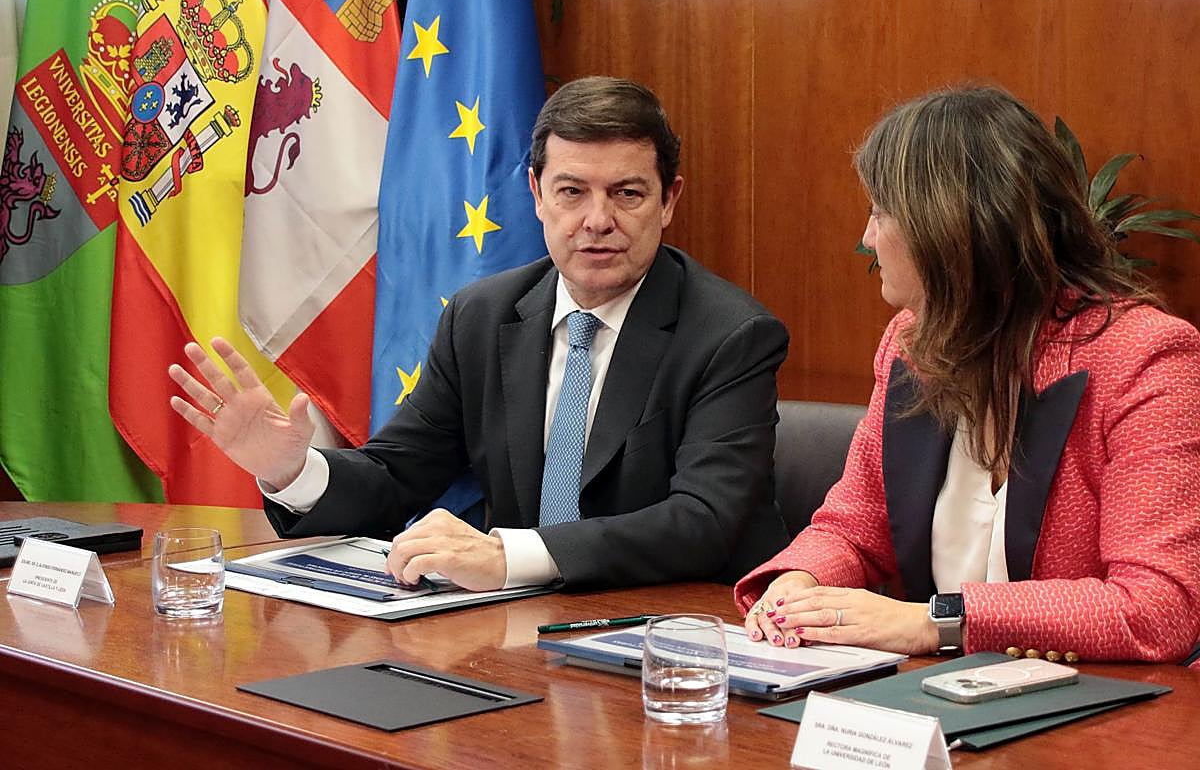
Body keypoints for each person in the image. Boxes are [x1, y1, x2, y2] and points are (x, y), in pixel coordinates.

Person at [170, 76, 790, 593]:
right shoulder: (484, 315)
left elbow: (704, 522)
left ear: (668, 200)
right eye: (571, 192)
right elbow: (395, 478)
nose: (598, 221)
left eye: (626, 194)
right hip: (520, 633)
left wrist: (509, 557)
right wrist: (291, 469)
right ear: (536, 194)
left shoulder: (731, 334)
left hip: (674, 634)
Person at [738, 86, 1200, 664]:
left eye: (881, 212)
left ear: (951, 229)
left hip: (1099, 718)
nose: (866, 239)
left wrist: (936, 623)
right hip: (935, 705)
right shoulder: (908, 342)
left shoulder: (1144, 357)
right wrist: (799, 584)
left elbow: (1159, 607)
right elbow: (855, 523)